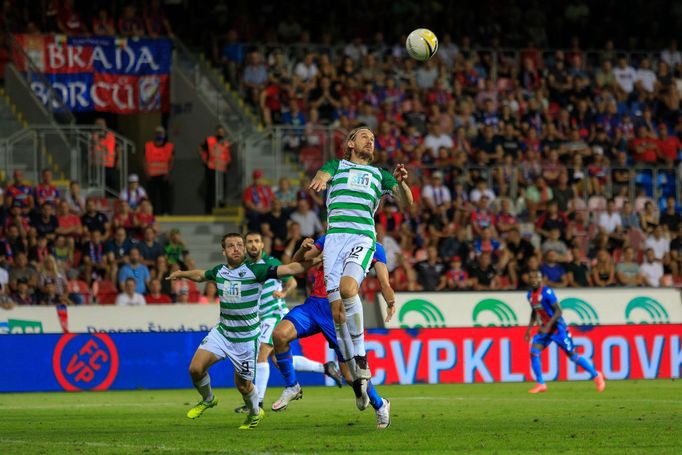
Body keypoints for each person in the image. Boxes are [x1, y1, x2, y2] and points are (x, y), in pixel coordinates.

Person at [166, 233, 317, 429]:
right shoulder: (219, 271)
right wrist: (182, 273)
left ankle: (255, 413)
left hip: (246, 339)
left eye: (239, 245)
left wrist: (314, 260)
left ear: (244, 250)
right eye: (231, 246)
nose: (236, 248)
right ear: (224, 251)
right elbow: (201, 275)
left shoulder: (256, 270)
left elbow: (290, 268)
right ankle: (208, 399)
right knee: (195, 369)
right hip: (222, 333)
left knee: (243, 385)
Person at [308, 126, 412, 406]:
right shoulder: (337, 165)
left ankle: (361, 358)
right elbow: (324, 173)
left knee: (347, 289)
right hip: (334, 240)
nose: (371, 141)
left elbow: (406, 202)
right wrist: (320, 176)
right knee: (337, 313)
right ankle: (358, 379)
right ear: (351, 142)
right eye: (365, 136)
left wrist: (401, 184)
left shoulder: (380, 175)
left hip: (362, 237)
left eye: (374, 139)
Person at [271, 234, 394, 429]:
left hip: (339, 311)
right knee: (279, 335)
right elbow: (294, 263)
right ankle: (292, 386)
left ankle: (380, 404)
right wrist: (303, 248)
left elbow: (384, 280)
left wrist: (390, 301)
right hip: (314, 305)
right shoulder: (329, 238)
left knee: (351, 375)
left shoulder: (373, 246)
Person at [233, 232, 341, 413]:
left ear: (262, 246)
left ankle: (257, 403)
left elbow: (291, 280)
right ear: (245, 246)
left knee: (262, 354)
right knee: (278, 360)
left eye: (257, 241)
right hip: (261, 317)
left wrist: (284, 292)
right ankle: (325, 367)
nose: (253, 245)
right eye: (249, 242)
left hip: (274, 314)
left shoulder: (271, 262)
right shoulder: (246, 267)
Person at [524, 270, 605, 394]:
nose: (533, 279)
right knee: (534, 352)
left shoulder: (547, 292)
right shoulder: (530, 295)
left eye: (536, 277)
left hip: (558, 329)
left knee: (573, 356)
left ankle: (596, 375)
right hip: (546, 329)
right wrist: (529, 329)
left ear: (541, 279)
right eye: (531, 277)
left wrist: (547, 326)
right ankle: (541, 383)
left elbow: (558, 311)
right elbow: (534, 311)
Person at [199, 126, 231, 213]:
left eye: (222, 132)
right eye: (219, 132)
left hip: (222, 169)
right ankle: (209, 209)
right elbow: (201, 148)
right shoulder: (210, 140)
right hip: (211, 168)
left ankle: (221, 206)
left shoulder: (226, 142)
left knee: (222, 188)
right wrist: (205, 161)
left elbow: (227, 155)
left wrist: (228, 163)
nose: (221, 134)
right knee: (211, 189)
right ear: (216, 132)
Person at [144, 126, 174, 214]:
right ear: (154, 135)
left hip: (164, 175)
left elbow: (171, 161)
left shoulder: (169, 146)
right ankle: (152, 213)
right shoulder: (148, 146)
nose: (159, 135)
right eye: (157, 133)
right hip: (151, 175)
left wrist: (168, 173)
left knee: (165, 195)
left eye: (161, 133)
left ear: (164, 135)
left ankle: (166, 213)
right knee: (152, 196)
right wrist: (146, 173)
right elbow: (144, 160)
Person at [91, 118, 118, 191]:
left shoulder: (111, 135)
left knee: (111, 183)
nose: (100, 126)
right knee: (98, 184)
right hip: (96, 164)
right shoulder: (92, 136)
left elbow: (112, 148)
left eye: (102, 124)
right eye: (98, 124)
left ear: (105, 125)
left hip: (109, 164)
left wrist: (118, 161)